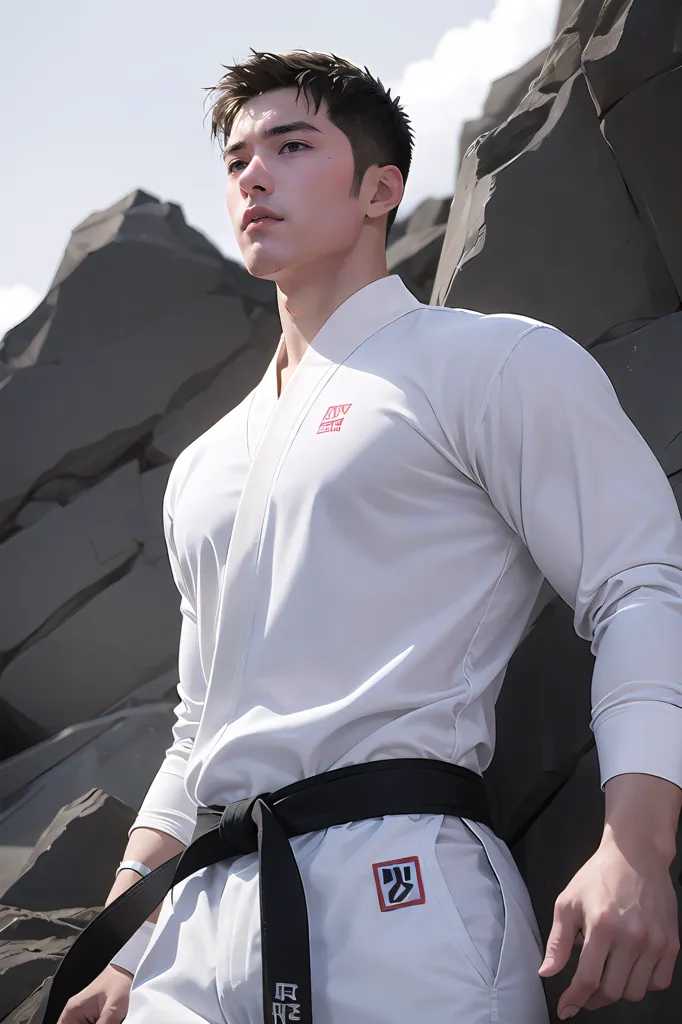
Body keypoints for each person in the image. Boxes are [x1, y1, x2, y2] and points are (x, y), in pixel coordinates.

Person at [57, 50, 682, 1024]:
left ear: (380, 189)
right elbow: (198, 730)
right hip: (196, 929)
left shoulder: (488, 362)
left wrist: (636, 849)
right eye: (234, 160)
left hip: (409, 898)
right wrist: (124, 944)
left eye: (292, 145)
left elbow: (638, 583)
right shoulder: (203, 468)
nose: (252, 174)